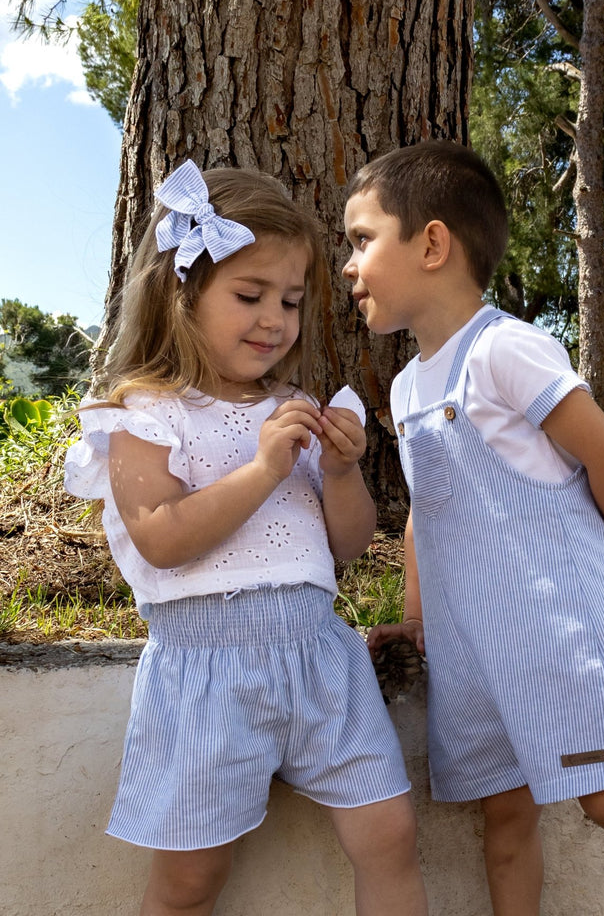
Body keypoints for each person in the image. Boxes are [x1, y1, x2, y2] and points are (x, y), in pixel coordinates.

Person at [341, 140, 604, 916]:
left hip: (554, 632)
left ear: (432, 243)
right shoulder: (408, 386)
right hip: (471, 648)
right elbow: (424, 516)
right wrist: (414, 616)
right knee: (502, 815)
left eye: (362, 240)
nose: (349, 265)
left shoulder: (506, 348)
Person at [65, 160, 428, 916]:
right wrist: (265, 467)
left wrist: (336, 474)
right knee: (191, 880)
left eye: (291, 301)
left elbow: (346, 545)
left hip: (322, 660)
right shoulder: (142, 414)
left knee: (390, 834)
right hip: (205, 674)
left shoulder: (295, 405)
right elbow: (161, 537)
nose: (275, 319)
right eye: (249, 294)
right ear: (181, 293)